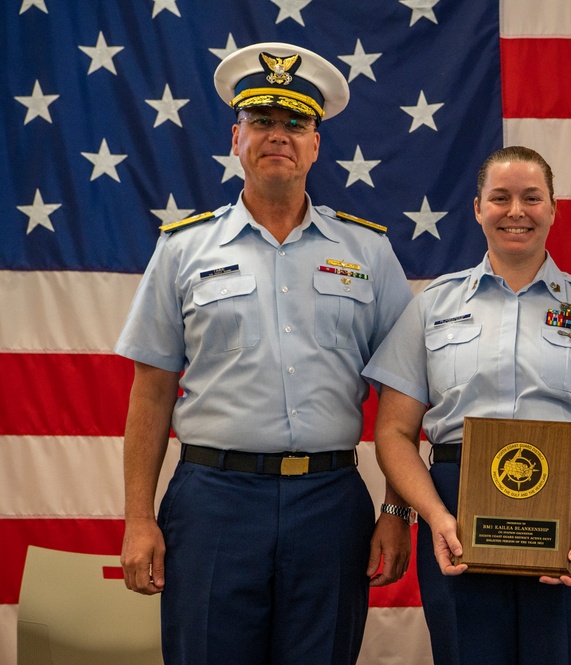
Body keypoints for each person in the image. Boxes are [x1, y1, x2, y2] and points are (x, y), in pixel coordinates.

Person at [115, 42, 414, 665]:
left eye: (295, 124)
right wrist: (138, 518)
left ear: (315, 145)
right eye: (262, 122)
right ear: (236, 137)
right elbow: (151, 391)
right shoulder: (182, 249)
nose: (277, 136)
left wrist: (394, 507)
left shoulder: (368, 253)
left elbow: (401, 395)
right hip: (212, 502)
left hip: (330, 503)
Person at [362, 146, 571, 665]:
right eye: (499, 198)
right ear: (477, 208)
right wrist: (434, 516)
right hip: (455, 515)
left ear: (553, 208)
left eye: (531, 197)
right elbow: (393, 432)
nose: (516, 211)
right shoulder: (433, 307)